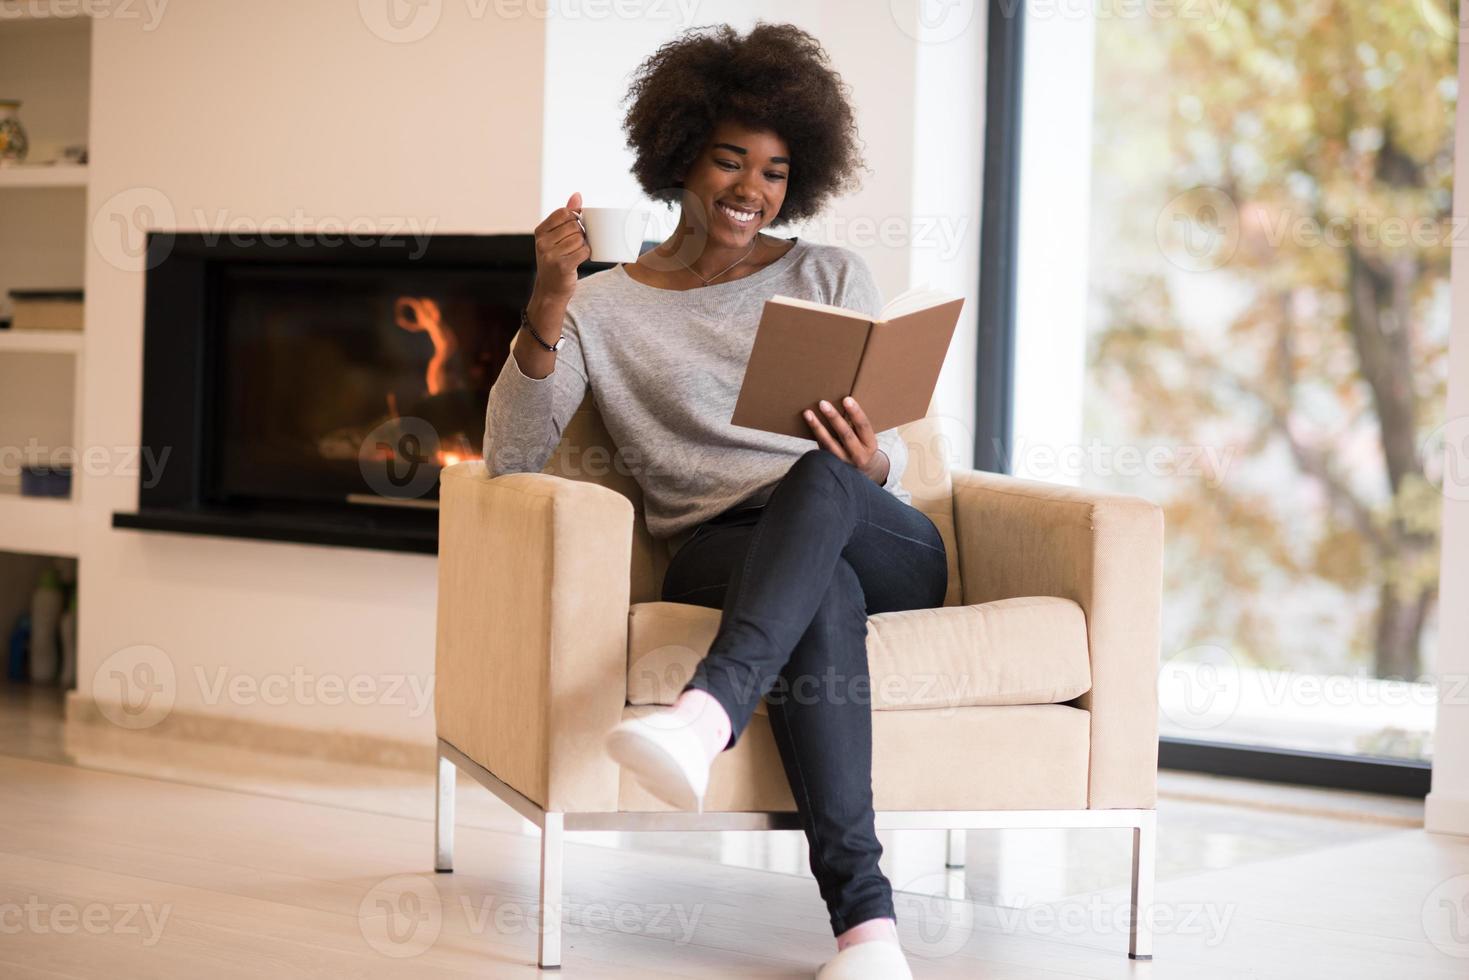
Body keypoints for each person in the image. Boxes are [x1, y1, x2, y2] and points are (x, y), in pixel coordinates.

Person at [483, 22, 947, 980]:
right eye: (730, 160)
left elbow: (887, 447)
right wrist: (546, 304)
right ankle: (869, 938)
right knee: (815, 594)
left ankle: (705, 712)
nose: (750, 189)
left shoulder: (828, 274)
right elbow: (509, 456)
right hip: (720, 545)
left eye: (774, 171)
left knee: (816, 475)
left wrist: (871, 462)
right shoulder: (603, 307)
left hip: (874, 530)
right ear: (678, 155)